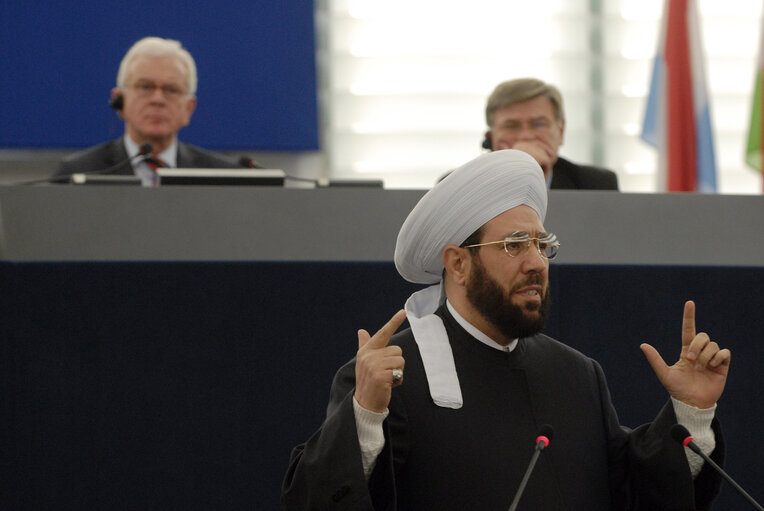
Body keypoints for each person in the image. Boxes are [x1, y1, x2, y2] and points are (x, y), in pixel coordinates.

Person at [282, 150, 730, 509]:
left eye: (541, 244)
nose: (536, 262)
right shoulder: (387, 378)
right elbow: (317, 500)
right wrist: (364, 416)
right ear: (458, 263)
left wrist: (690, 413)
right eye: (514, 244)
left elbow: (633, 495)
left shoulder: (577, 374)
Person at [52, 36, 238, 186]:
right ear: (120, 100)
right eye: (145, 87)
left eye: (171, 90)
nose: (158, 99)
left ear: (189, 108)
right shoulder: (78, 173)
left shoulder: (222, 177)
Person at [483, 78, 619, 190]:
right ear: (491, 137)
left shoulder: (597, 184)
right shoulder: (471, 185)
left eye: (539, 124)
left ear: (560, 132)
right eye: (511, 126)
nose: (526, 136)